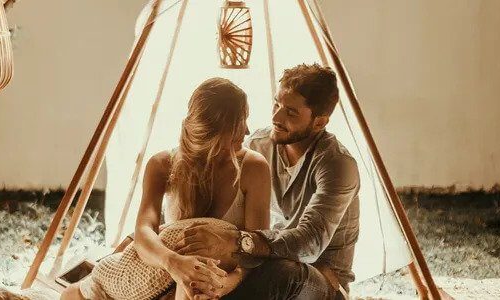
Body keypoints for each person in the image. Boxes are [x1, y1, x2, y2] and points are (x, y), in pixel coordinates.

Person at [60, 77, 271, 300]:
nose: (248, 132)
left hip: (217, 278)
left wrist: (227, 283)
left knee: (196, 280)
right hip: (164, 267)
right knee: (71, 295)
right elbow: (144, 231)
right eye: (241, 123)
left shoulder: (253, 168)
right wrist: (173, 263)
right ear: (216, 131)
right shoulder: (162, 164)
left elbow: (259, 247)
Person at [176, 63, 360, 300]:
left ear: (319, 122)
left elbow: (310, 242)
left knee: (283, 273)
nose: (276, 117)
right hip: (266, 262)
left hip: (318, 280)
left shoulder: (338, 165)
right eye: (277, 104)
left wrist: (238, 243)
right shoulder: (257, 145)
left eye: (291, 112)